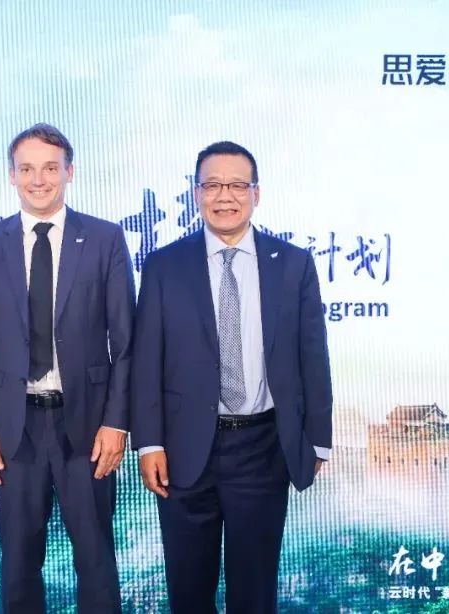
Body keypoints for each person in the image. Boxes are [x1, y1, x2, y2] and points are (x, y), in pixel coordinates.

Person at [130, 141, 332, 613]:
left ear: (256, 194)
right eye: (213, 185)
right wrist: (149, 442)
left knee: (255, 593)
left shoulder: (293, 264)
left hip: (263, 447)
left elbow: (313, 357)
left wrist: (318, 440)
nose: (226, 196)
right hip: (182, 450)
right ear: (197, 194)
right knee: (188, 591)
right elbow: (146, 361)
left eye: (238, 185)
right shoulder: (164, 265)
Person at [0, 123, 135, 613]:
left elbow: (126, 342)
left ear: (69, 172)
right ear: (11, 175)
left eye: (50, 168)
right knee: (18, 561)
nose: (38, 180)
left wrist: (117, 422)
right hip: (13, 429)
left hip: (89, 425)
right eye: (27, 169)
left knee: (96, 558)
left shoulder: (103, 239)